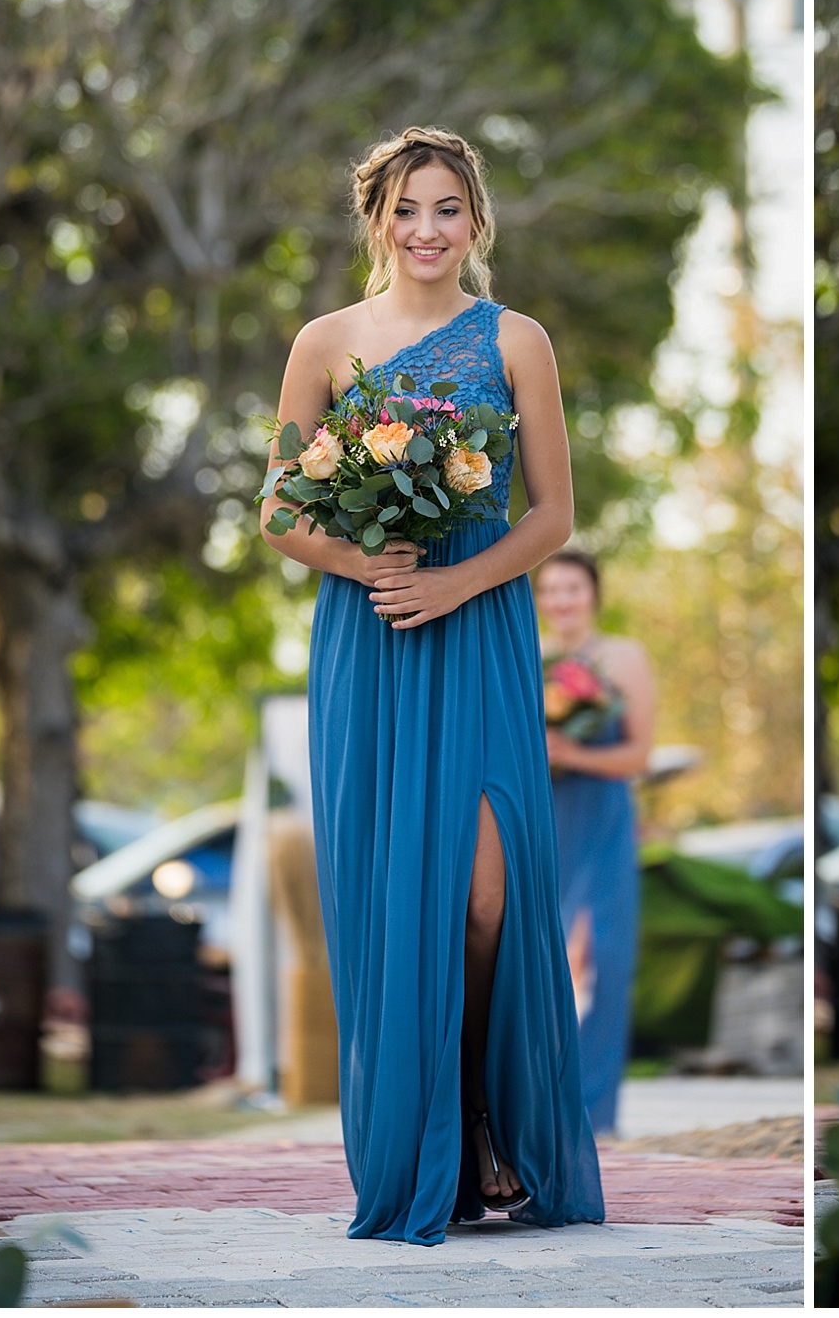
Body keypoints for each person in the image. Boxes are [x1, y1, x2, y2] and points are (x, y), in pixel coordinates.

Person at [260, 125, 603, 1244]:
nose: (426, 230)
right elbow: (279, 511)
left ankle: (487, 1119)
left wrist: (457, 586)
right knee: (396, 899)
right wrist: (368, 561)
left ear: (477, 220)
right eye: (407, 209)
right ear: (375, 222)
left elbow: (554, 514)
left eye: (448, 208)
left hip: (481, 627)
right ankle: (440, 1151)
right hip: (371, 638)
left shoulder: (518, 340)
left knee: (488, 895)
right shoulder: (325, 342)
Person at [533, 549, 657, 1135]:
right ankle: (539, 1106)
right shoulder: (527, 656)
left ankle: (594, 1113)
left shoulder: (623, 657)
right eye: (550, 589)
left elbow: (639, 755)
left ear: (593, 593)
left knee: (606, 958)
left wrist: (573, 752)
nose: (561, 600)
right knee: (542, 958)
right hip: (543, 821)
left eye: (572, 588)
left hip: (603, 816)